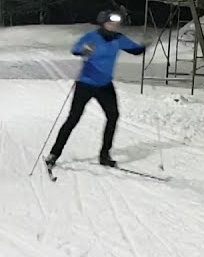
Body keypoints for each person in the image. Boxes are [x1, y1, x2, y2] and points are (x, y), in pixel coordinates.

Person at [46, 10, 145, 169]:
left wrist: (144, 45)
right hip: (86, 84)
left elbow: (135, 50)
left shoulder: (118, 39)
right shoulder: (92, 37)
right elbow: (76, 49)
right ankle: (54, 154)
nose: (113, 26)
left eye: (116, 24)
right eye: (110, 23)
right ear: (102, 24)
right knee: (74, 118)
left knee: (113, 116)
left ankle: (104, 155)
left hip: (105, 85)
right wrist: (85, 50)